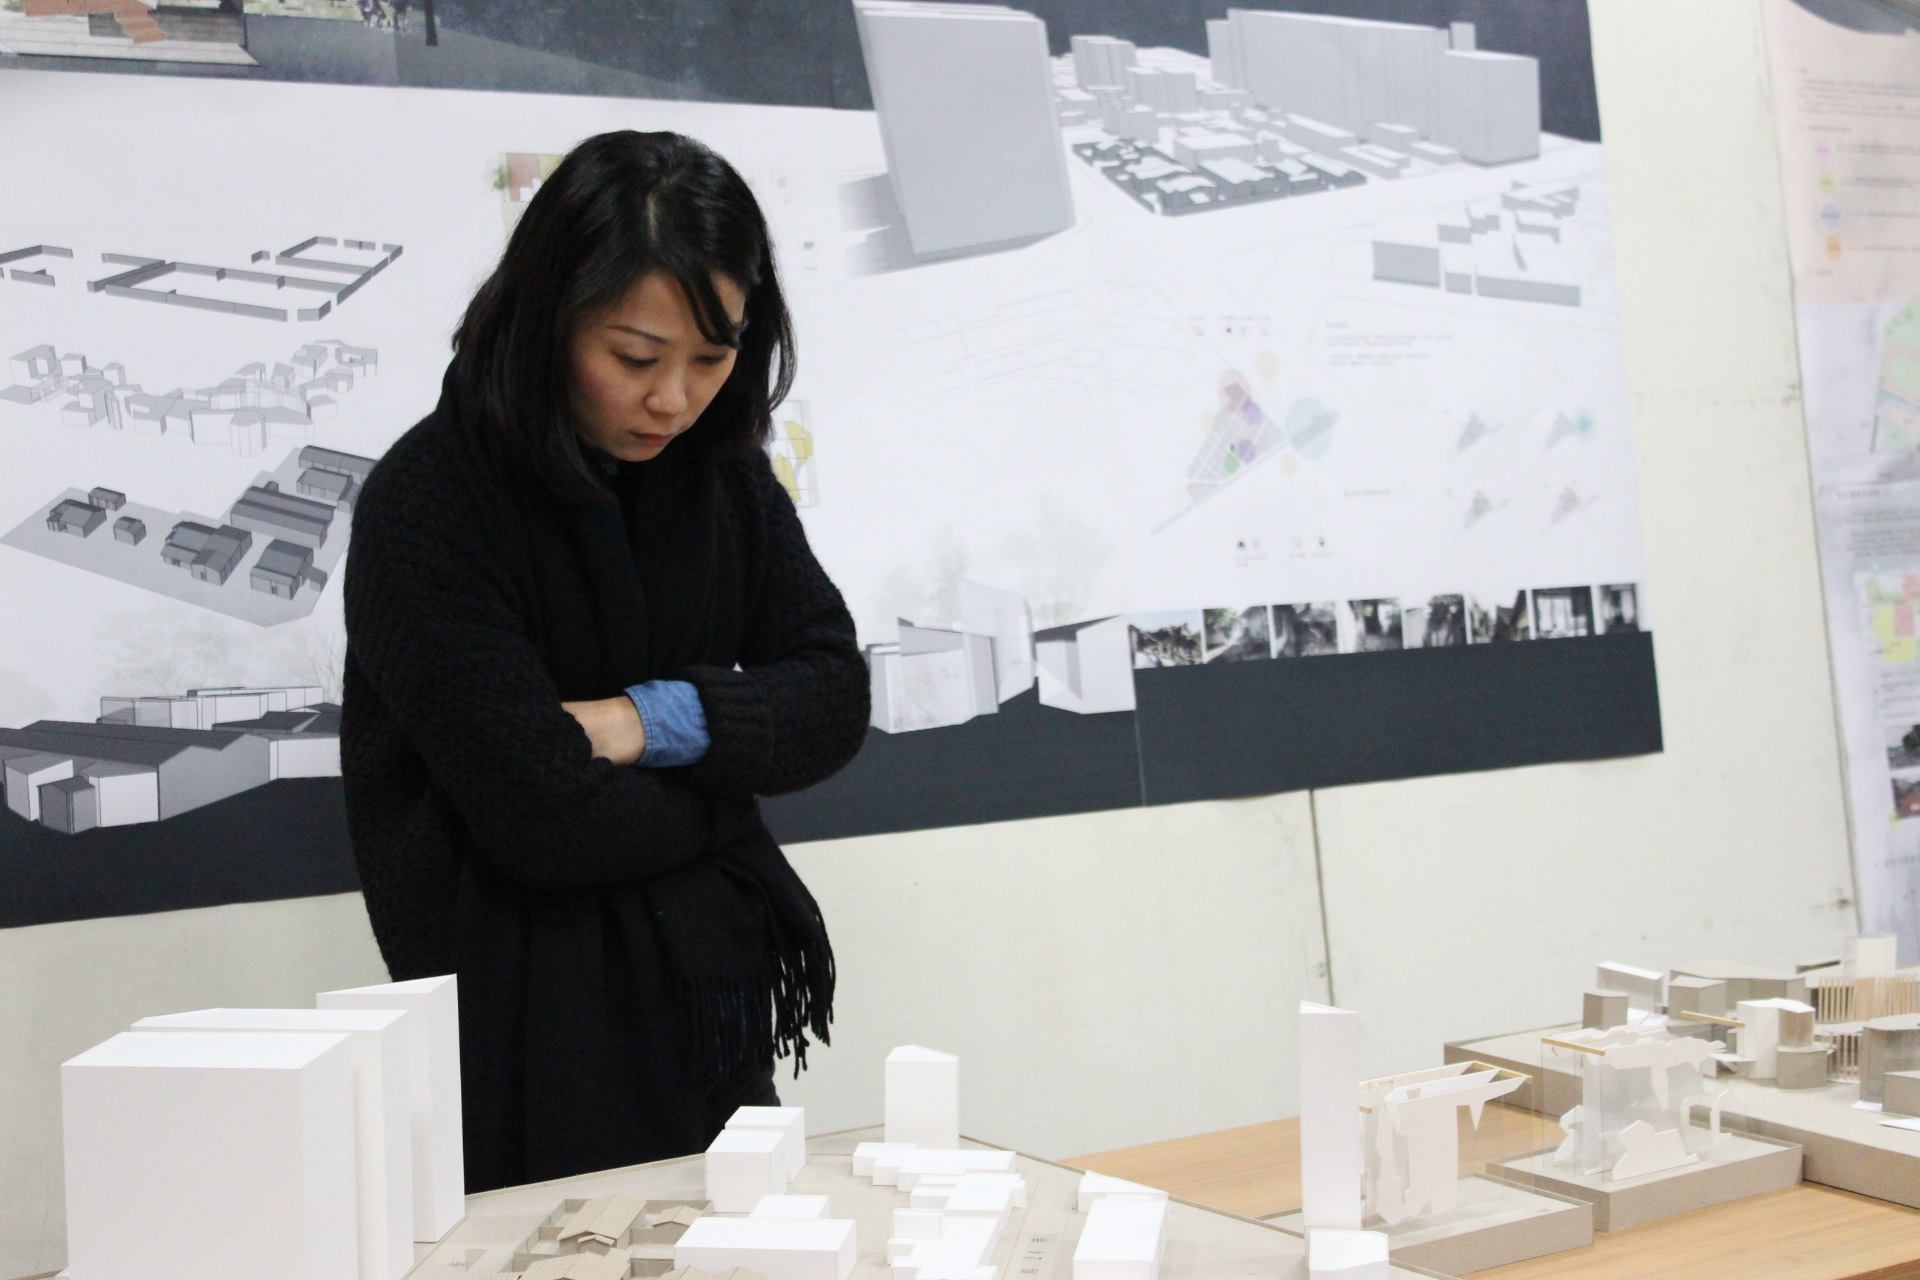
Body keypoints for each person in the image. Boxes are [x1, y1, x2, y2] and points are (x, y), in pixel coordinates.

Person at [340, 130, 870, 1193]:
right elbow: (543, 819)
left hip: (704, 1008)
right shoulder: (429, 504)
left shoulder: (722, 482)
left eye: (711, 359)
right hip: (512, 1033)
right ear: (549, 319)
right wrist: (729, 795)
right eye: (635, 358)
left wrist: (650, 721)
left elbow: (833, 694)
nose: (675, 399)